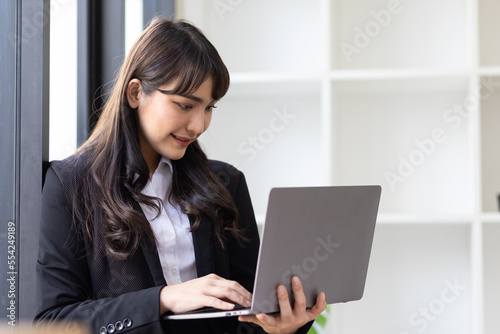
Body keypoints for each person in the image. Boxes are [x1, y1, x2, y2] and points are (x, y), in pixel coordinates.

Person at [34, 17, 327, 334]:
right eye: (185, 105)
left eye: (209, 108)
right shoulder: (71, 184)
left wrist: (279, 326)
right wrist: (163, 299)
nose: (198, 125)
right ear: (136, 93)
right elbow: (55, 321)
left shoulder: (225, 183)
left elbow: (248, 314)